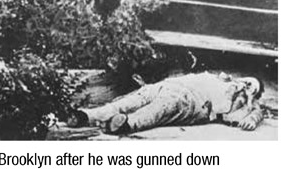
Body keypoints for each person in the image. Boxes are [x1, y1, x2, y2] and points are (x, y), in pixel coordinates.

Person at [68, 72, 265, 134]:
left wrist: (250, 110)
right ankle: (86, 116)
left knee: (157, 110)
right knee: (132, 99)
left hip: (188, 100)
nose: (245, 87)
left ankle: (125, 124)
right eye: (248, 82)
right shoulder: (222, 77)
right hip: (168, 85)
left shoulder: (243, 101)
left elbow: (255, 113)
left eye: (251, 89)